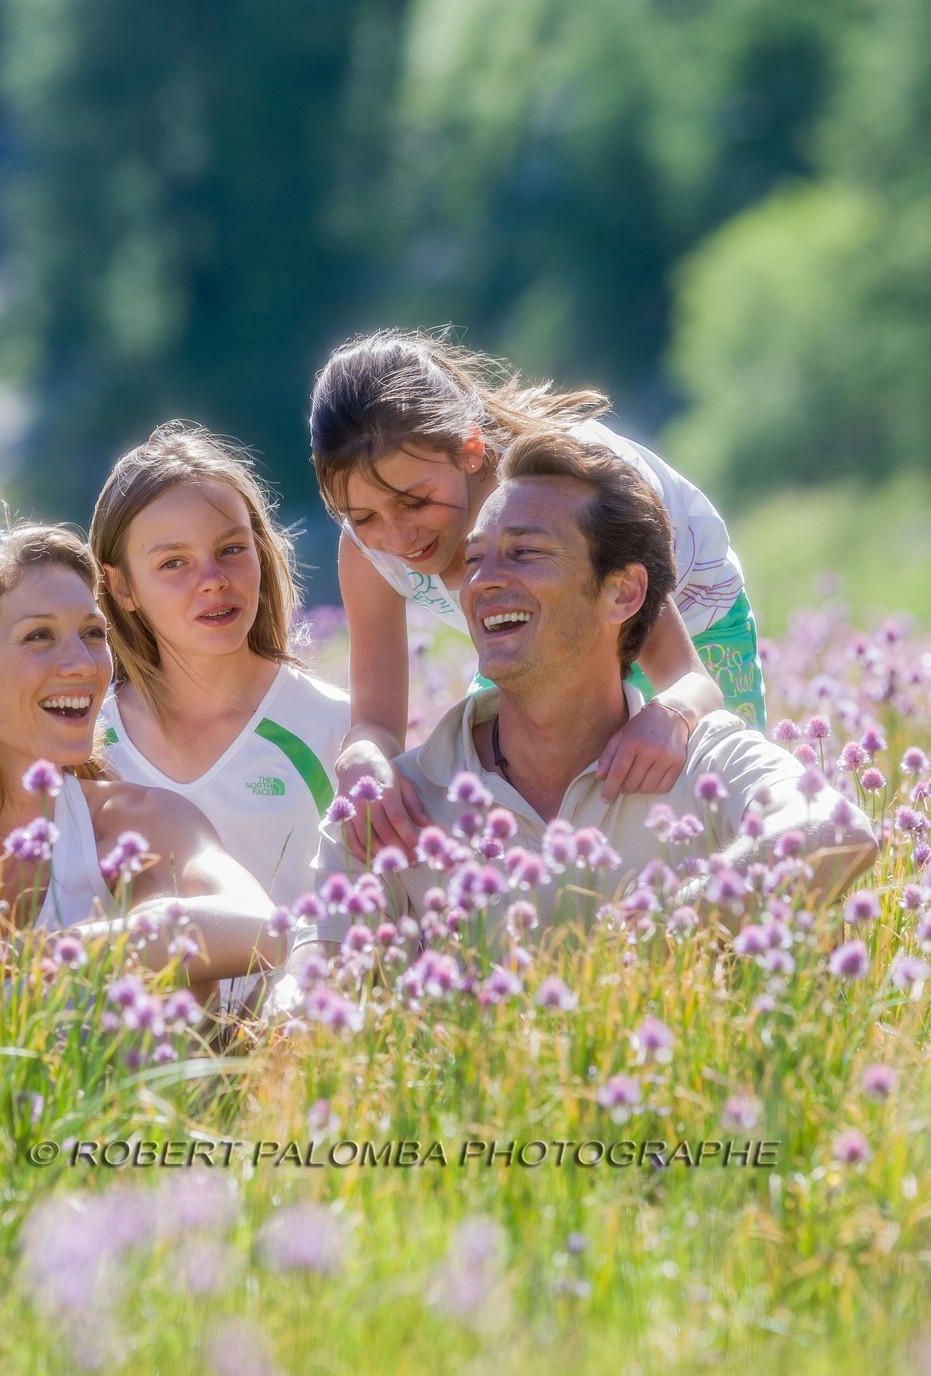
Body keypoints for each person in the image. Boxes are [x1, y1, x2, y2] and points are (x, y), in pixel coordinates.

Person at [290, 432, 875, 958]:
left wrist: (652, 936)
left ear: (623, 593)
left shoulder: (703, 759)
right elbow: (307, 1000)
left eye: (526, 552)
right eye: (473, 560)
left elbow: (836, 829)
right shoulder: (392, 809)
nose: (483, 580)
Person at [310, 329, 766, 860]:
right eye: (362, 516)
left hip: (692, 617)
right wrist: (362, 756)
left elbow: (691, 681)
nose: (397, 537)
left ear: (470, 450)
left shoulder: (567, 488)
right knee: (518, 813)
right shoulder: (368, 551)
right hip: (542, 627)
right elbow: (376, 719)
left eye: (415, 502)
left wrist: (672, 718)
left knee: (719, 816)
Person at [0, 524, 285, 988]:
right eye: (39, 636)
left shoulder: (135, 823)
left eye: (92, 633)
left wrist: (30, 959)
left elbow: (262, 930)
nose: (84, 663)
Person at [89, 422, 349, 1005]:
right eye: (173, 563)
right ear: (121, 586)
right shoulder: (81, 745)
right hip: (137, 1073)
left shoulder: (335, 728)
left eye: (231, 549)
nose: (213, 580)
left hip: (296, 1060)